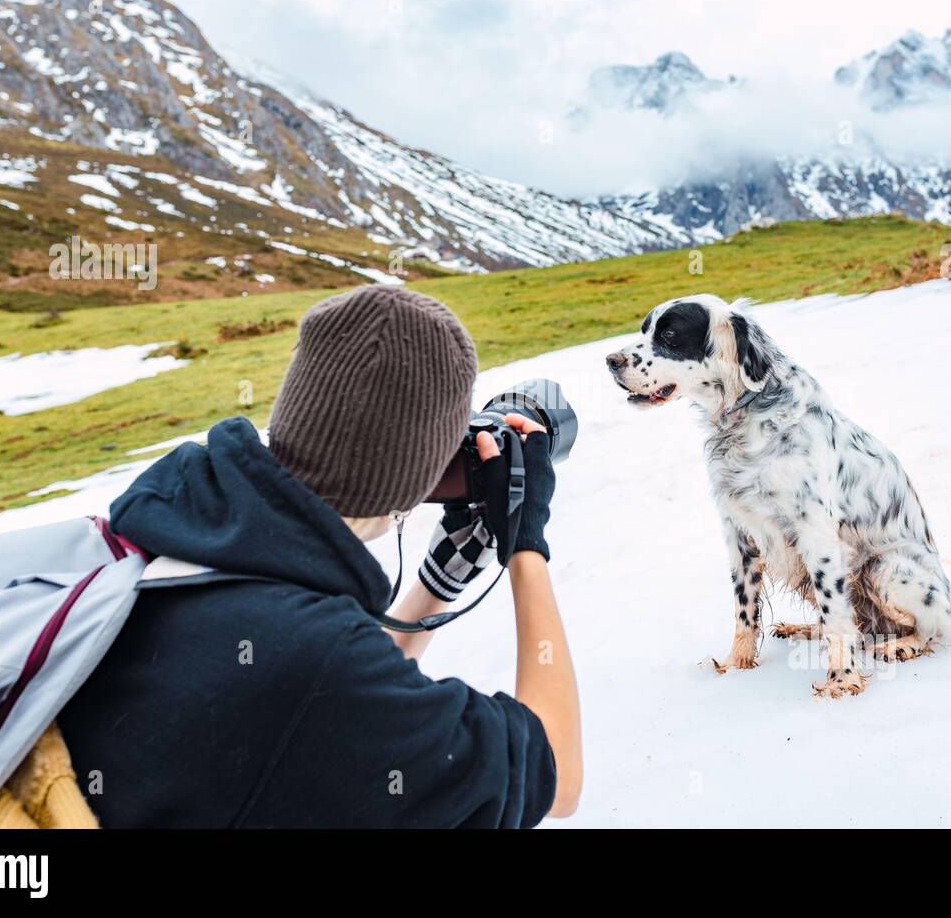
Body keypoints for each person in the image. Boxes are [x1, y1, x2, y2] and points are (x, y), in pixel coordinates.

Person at [58, 286, 582, 827]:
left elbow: (329, 688)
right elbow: (557, 773)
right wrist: (525, 546)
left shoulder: (170, 530)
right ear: (414, 471)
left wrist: (437, 583)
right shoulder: (316, 662)